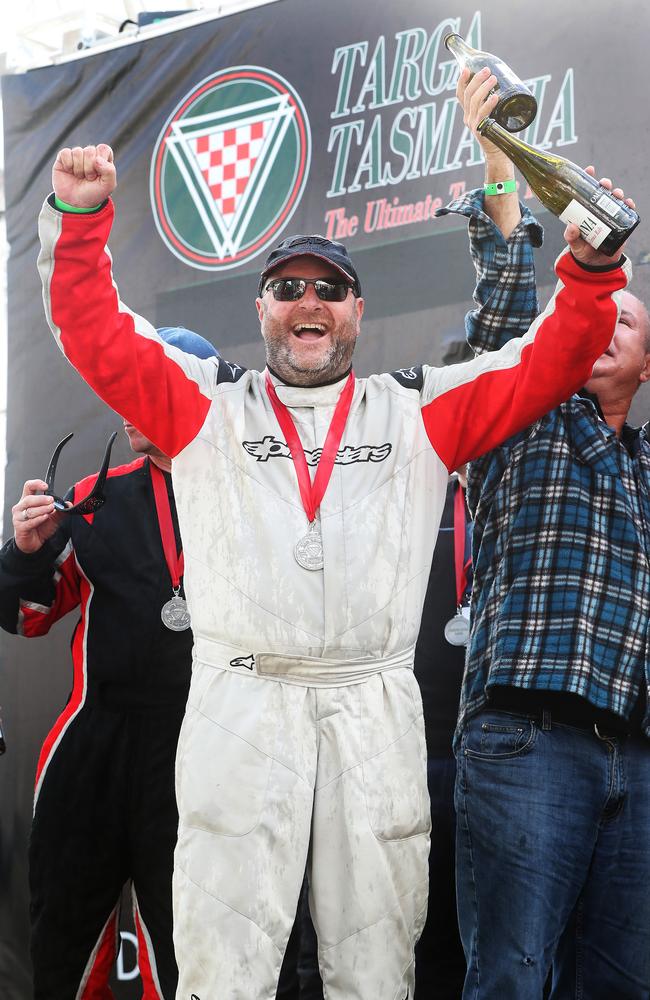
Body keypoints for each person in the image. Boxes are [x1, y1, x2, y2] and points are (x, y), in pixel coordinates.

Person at [35, 69, 632, 999]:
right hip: (241, 701)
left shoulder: (417, 411)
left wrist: (591, 271)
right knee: (221, 972)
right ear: (261, 310)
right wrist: (78, 225)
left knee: (376, 969)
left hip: (372, 705)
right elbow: (93, 329)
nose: (308, 304)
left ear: (357, 311)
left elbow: (546, 361)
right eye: (287, 289)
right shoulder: (203, 409)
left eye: (329, 289)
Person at [437, 68, 650, 999]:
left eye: (626, 317)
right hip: (527, 739)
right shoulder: (521, 415)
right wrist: (499, 155)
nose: (604, 324)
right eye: (596, 310)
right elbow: (506, 304)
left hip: (637, 758)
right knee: (512, 981)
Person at [0, 327, 219, 1000]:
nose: (125, 407)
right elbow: (29, 617)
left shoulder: (249, 495)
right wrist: (25, 551)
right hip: (91, 752)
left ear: (194, 392)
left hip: (201, 750)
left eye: (142, 388)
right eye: (119, 390)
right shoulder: (96, 496)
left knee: (188, 953)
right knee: (65, 946)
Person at [413, 467, 471, 997]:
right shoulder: (409, 495)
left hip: (508, 752)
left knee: (495, 932)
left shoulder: (525, 491)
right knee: (420, 929)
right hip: (413, 751)